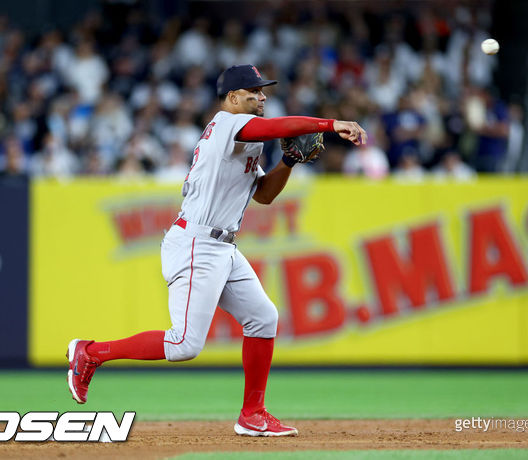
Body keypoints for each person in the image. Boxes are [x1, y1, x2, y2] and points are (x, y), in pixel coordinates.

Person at [66, 64, 367, 437]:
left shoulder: (244, 139)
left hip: (223, 246)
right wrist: (329, 124)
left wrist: (288, 161)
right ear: (232, 97)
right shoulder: (226, 123)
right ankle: (90, 353)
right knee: (183, 344)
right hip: (196, 243)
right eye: (255, 91)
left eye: (263, 91)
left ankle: (252, 414)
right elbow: (277, 128)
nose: (262, 97)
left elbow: (265, 195)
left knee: (263, 318)